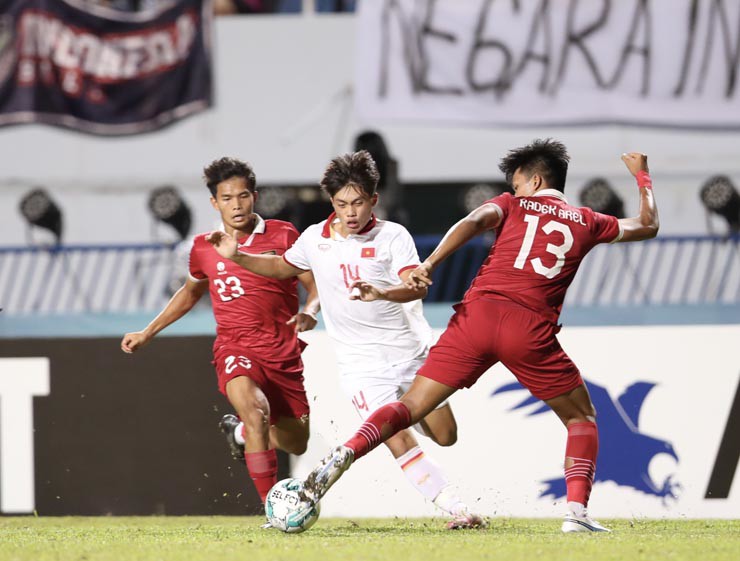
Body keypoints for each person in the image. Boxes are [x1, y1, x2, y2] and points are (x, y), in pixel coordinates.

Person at [299, 141, 660, 533]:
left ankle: (349, 449)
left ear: (535, 181)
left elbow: (473, 221)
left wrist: (430, 263)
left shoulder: (511, 205)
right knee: (580, 417)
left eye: (517, 184)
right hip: (529, 329)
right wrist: (642, 176)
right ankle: (576, 513)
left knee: (412, 406)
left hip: (477, 317)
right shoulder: (588, 220)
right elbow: (647, 225)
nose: (515, 190)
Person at [206, 150, 485, 529]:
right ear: (331, 202)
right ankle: (459, 509)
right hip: (362, 366)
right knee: (396, 438)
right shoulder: (313, 240)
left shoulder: (393, 236)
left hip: (411, 354)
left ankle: (410, 420)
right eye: (341, 204)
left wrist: (383, 292)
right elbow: (281, 266)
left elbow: (414, 285)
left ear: (374, 199)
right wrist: (238, 256)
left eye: (358, 203)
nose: (350, 212)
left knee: (446, 435)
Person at [121, 157, 320, 507]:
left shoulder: (284, 234)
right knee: (256, 411)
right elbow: (189, 293)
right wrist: (148, 332)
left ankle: (240, 433)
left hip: (282, 352)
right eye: (227, 198)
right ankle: (272, 507)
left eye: (243, 196)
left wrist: (309, 311)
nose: (236, 205)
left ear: (254, 197)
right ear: (215, 203)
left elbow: (313, 285)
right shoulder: (203, 246)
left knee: (296, 442)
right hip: (235, 348)